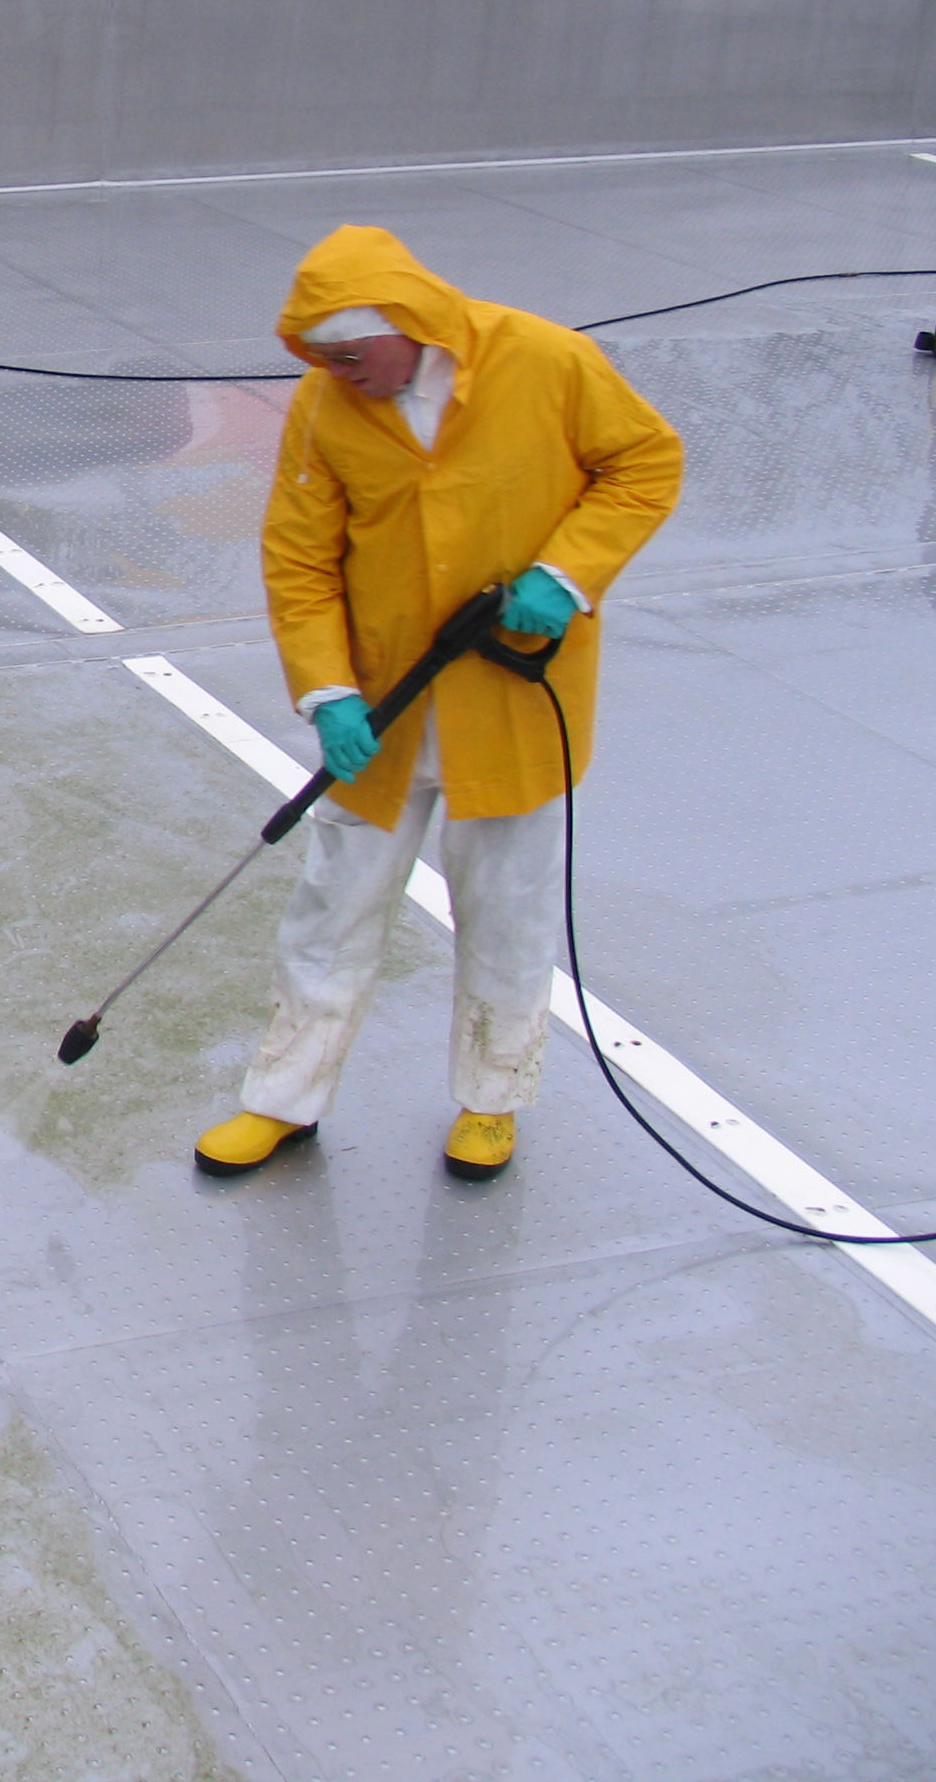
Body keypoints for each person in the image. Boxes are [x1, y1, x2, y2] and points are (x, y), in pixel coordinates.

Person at [196, 225, 684, 1185]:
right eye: (321, 361)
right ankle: (282, 1101)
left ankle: (490, 1102)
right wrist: (328, 691)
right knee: (330, 910)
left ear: (407, 324)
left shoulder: (548, 362)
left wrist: (569, 573)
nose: (339, 375)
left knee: (506, 911)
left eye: (351, 355)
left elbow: (645, 464)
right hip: (381, 711)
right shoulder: (327, 407)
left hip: (511, 698)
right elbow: (298, 557)